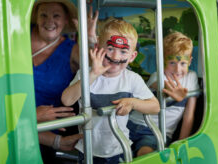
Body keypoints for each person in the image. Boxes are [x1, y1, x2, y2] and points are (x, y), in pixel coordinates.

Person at [61, 18, 160, 164]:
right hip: (87, 148)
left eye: (123, 51)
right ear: (98, 46)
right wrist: (93, 74)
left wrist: (132, 102)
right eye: (110, 48)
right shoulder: (85, 74)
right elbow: (67, 100)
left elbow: (155, 106)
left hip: (118, 147)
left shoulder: (132, 79)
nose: (115, 56)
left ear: (132, 56)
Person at [30, 0, 98, 162]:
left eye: (56, 16)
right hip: (10, 122)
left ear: (66, 20)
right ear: (36, 18)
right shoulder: (15, 41)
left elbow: (100, 69)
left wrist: (90, 39)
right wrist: (31, 116)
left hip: (48, 133)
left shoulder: (72, 50)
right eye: (43, 15)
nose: (49, 21)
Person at [127, 31, 199, 156]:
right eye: (172, 63)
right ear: (163, 61)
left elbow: (189, 116)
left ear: (190, 61)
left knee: (146, 154)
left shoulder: (191, 78)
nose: (177, 70)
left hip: (157, 132)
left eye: (183, 63)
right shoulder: (158, 75)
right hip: (132, 123)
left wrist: (181, 144)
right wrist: (170, 92)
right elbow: (159, 85)